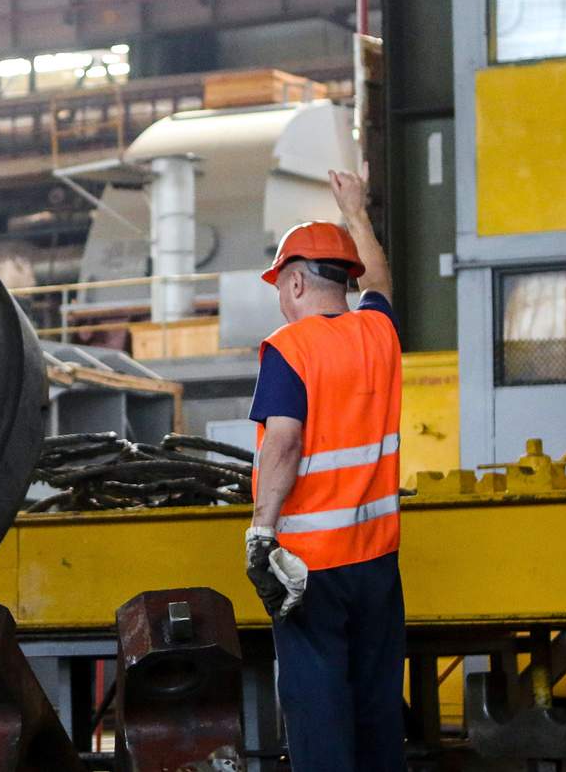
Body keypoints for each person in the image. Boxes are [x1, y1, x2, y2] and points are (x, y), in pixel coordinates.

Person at [244, 168, 405, 771]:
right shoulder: (380, 336)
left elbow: (282, 445)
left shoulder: (290, 350)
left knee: (319, 716)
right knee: (377, 710)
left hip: (310, 570)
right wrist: (356, 212)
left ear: (294, 282)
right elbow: (382, 283)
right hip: (377, 563)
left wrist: (262, 532)